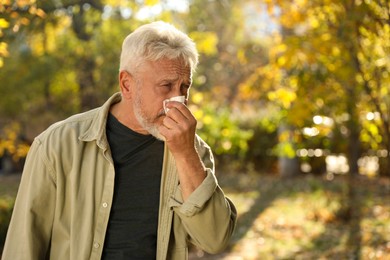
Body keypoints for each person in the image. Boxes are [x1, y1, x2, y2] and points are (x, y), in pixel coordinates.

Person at [2, 21, 237, 260]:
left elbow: (215, 239)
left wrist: (185, 155)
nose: (178, 101)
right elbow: (22, 248)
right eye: (166, 86)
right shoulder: (57, 145)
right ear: (127, 85)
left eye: (184, 87)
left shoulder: (194, 151)